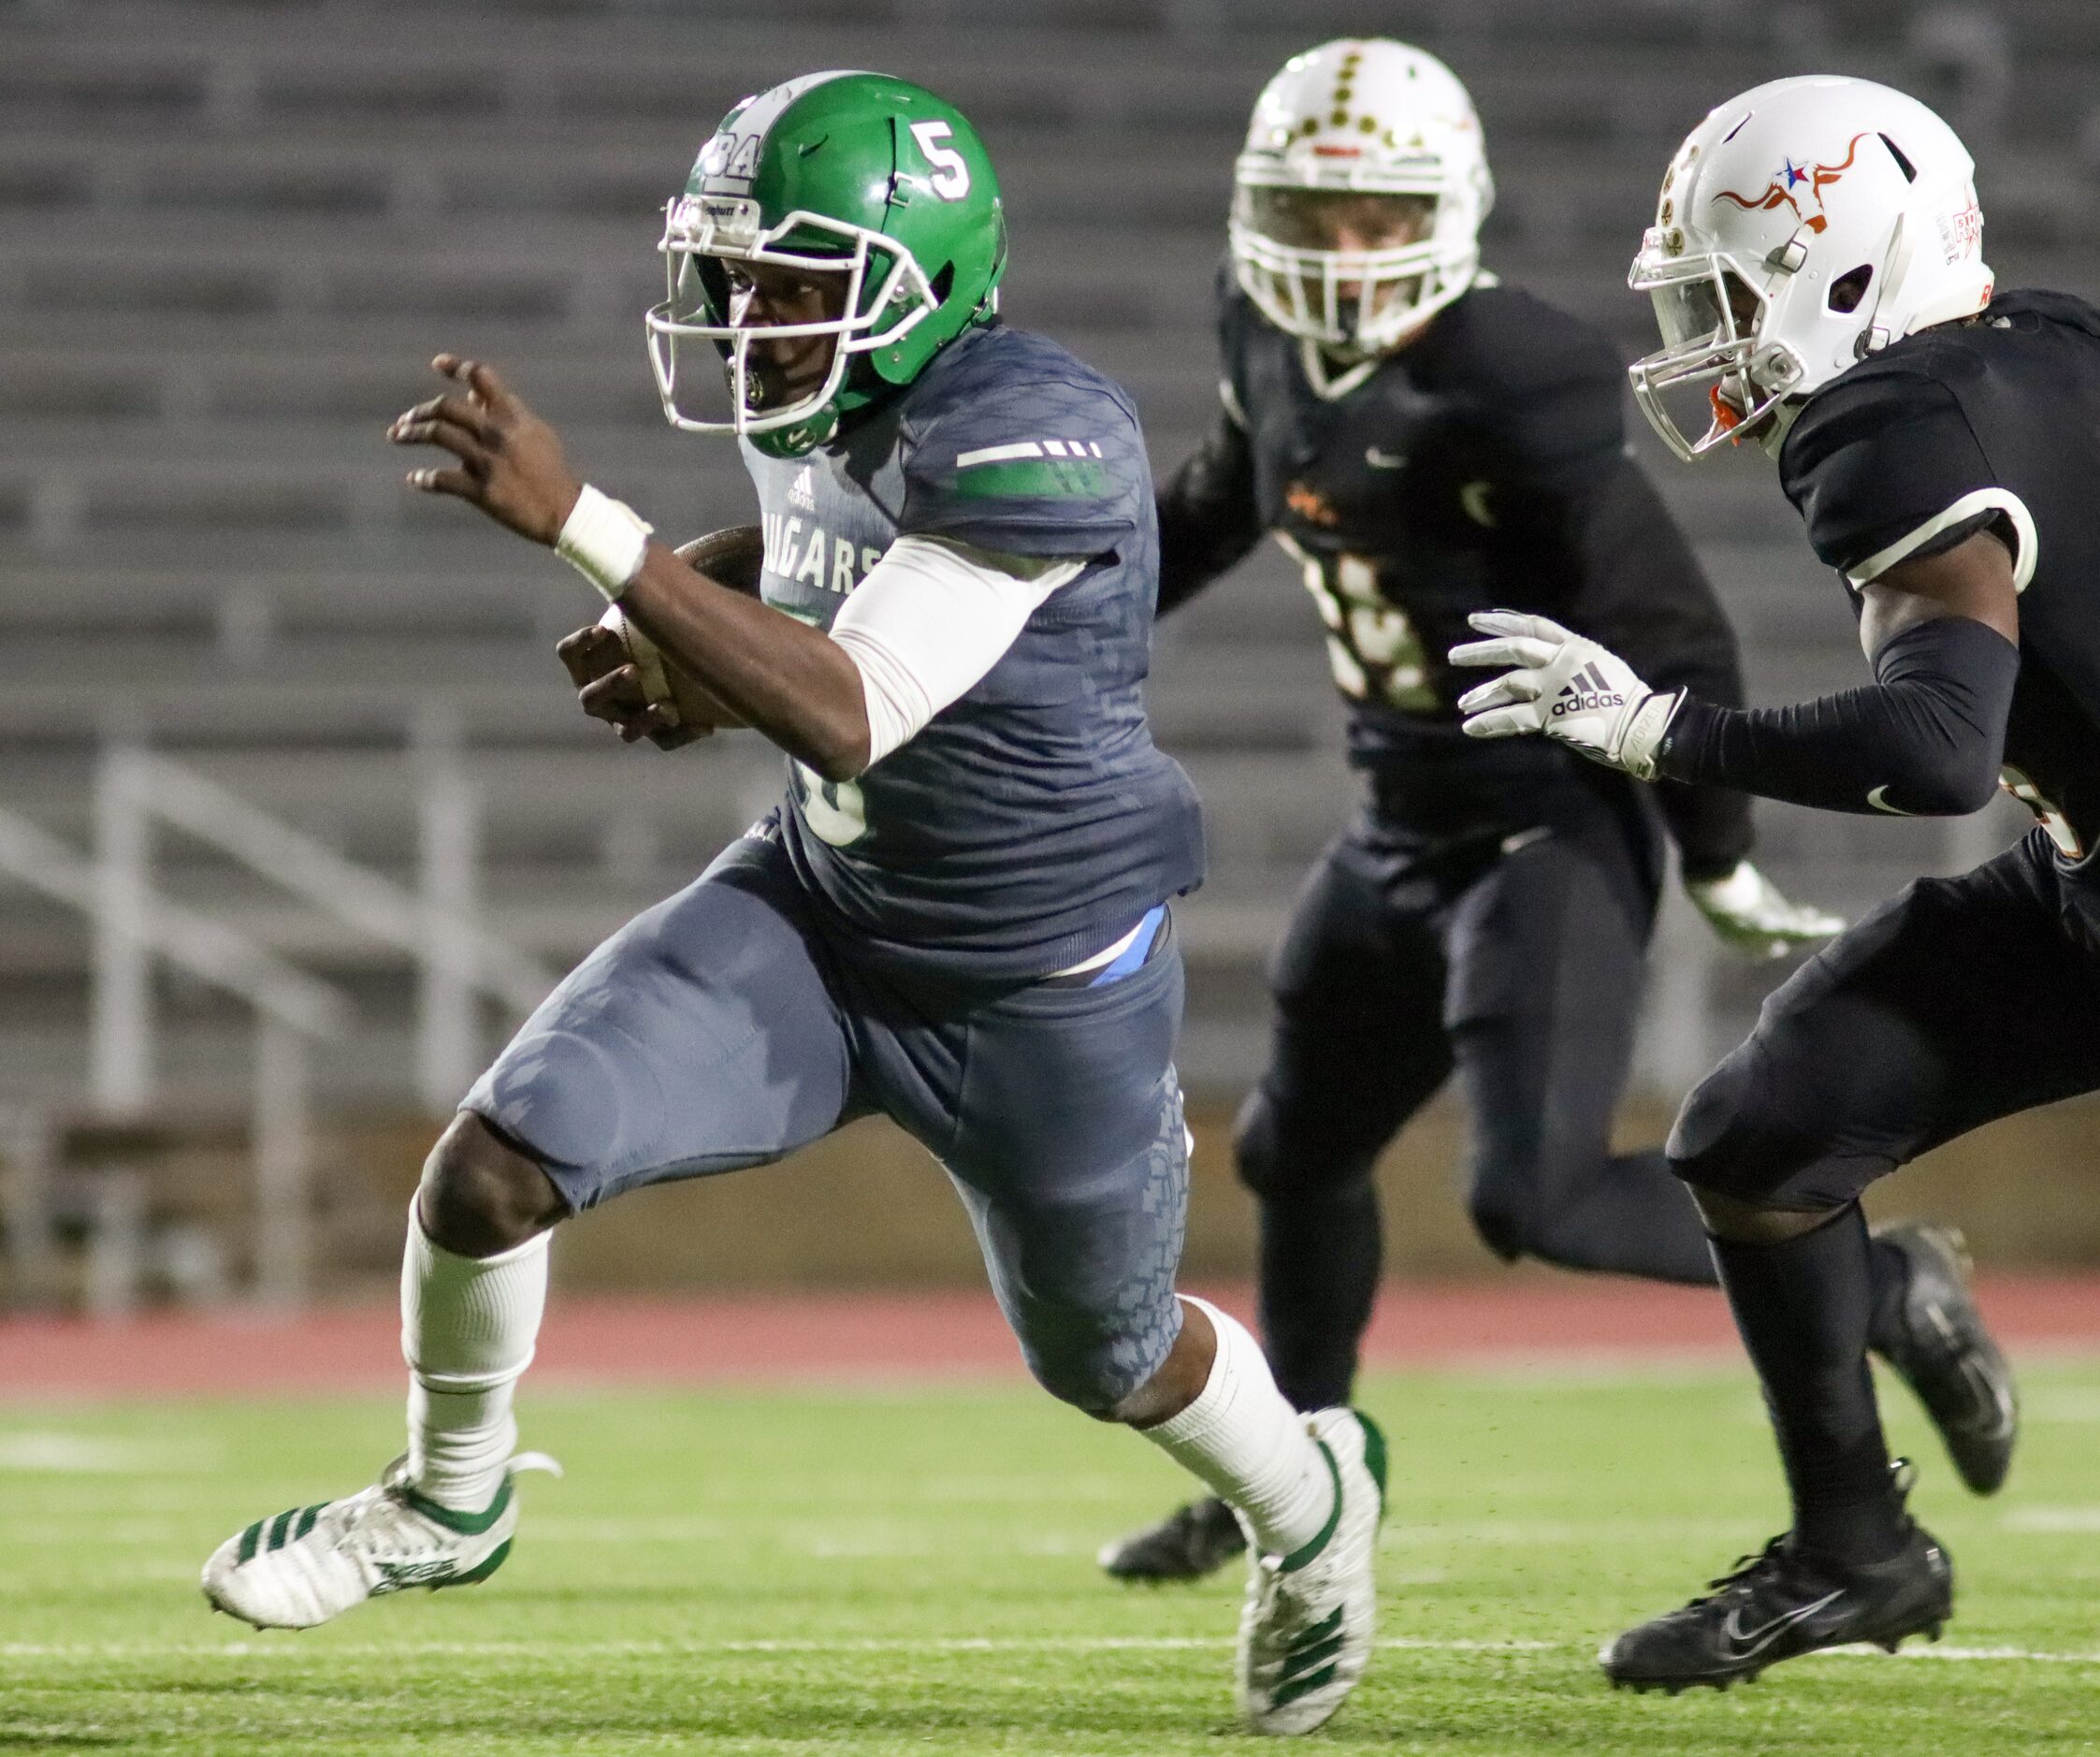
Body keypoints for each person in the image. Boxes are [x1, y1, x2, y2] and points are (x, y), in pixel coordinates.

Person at [197, 72, 1383, 1735]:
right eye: (740, 280)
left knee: (1109, 1360)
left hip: (1035, 973)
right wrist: (691, 629)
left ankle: (1312, 1513)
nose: (752, 318)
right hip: (823, 909)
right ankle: (447, 1498)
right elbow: (808, 544)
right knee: (489, 1173)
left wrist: (592, 533)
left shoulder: (1043, 426)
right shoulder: (814, 400)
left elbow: (850, 702)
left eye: (795, 280)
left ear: (923, 276)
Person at [1099, 37, 2007, 1587]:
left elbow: (1666, 617)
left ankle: (1885, 1279)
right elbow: (1213, 498)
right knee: (1292, 1153)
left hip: (1545, 825)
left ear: (1445, 212)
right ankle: (1291, 1472)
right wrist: (1052, 617)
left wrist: (1712, 853)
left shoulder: (1511, 371)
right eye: (1313, 217)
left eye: (1379, 216)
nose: (1342, 250)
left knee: (1536, 1194)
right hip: (1396, 819)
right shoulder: (1258, 328)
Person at [1452, 73, 2053, 1690]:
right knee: (1757, 1137)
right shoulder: (2045, 344)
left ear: (1842, 264)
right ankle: (1857, 1552)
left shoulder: (1888, 418)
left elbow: (1935, 746)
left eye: (1730, 291)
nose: (1708, 336)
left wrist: (1659, 730)